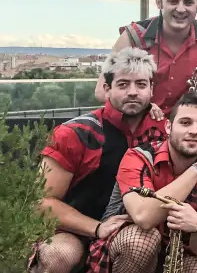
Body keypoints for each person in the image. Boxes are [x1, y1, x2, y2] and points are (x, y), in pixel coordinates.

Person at [31, 49, 166, 273]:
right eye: (123, 84)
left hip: (131, 231)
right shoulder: (75, 133)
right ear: (107, 88)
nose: (133, 92)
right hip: (71, 229)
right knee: (59, 254)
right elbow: (41, 202)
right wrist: (96, 227)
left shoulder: (163, 133)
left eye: (141, 84)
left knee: (141, 242)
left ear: (152, 89)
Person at [87, 92, 197, 273]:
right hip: (128, 246)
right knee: (142, 241)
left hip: (178, 252)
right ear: (168, 127)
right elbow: (143, 218)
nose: (194, 131)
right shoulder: (138, 156)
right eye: (185, 123)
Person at [98, 0, 197, 112]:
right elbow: (102, 91)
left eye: (188, 3)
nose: (180, 9)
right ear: (159, 3)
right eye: (173, 1)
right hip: (141, 122)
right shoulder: (133, 36)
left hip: (189, 123)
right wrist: (144, 107)